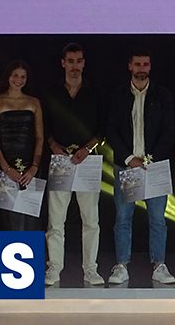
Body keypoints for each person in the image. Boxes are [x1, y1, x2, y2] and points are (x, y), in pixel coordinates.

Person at [106, 49, 175, 285]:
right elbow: (111, 129)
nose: (141, 69)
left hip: (154, 166)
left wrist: (150, 159)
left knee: (158, 219)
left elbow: (169, 131)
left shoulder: (162, 96)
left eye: (145, 64)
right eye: (137, 64)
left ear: (150, 66)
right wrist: (129, 159)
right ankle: (122, 266)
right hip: (126, 166)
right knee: (123, 218)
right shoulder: (118, 95)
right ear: (130, 66)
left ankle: (159, 265)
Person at [43, 43, 106, 286]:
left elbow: (103, 128)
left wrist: (87, 148)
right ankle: (54, 267)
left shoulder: (96, 92)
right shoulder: (51, 93)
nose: (75, 66)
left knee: (91, 220)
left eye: (79, 61)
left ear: (84, 63)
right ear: (63, 63)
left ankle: (90, 269)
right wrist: (53, 145)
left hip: (87, 160)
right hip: (60, 160)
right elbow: (45, 126)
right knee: (55, 220)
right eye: (70, 61)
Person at [0, 59, 44, 231]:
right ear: (8, 76)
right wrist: (6, 168)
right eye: (15, 75)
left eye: (23, 77)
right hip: (5, 167)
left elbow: (40, 137)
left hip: (31, 167)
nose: (19, 80)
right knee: (11, 221)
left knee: (31, 220)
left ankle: (32, 250)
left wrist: (34, 167)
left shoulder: (34, 102)